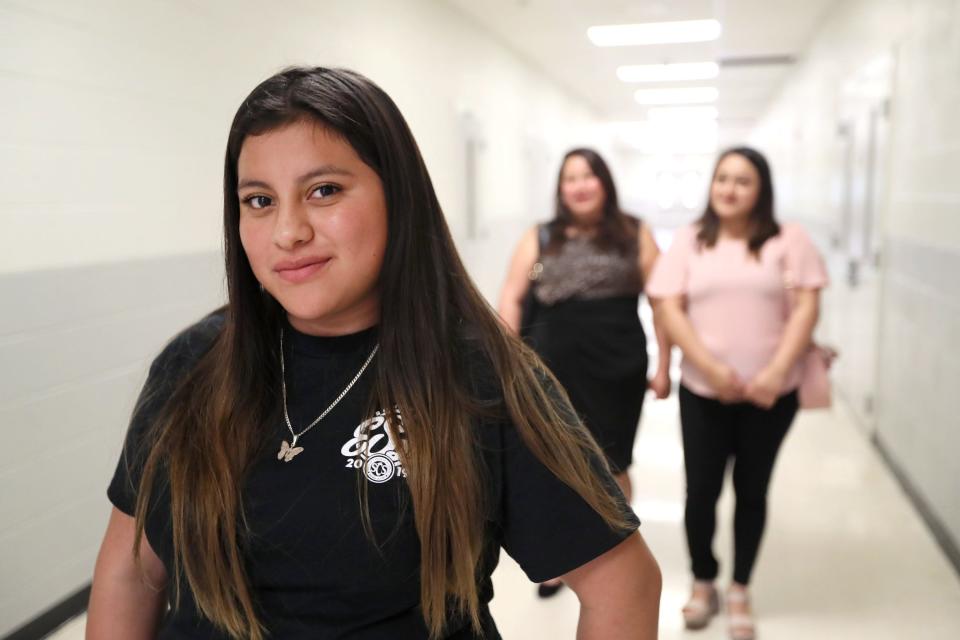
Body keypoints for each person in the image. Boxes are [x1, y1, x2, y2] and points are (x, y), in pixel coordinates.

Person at [85, 67, 661, 640]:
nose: (288, 231)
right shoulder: (194, 364)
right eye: (259, 200)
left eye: (324, 191)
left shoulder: (478, 376)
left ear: (398, 196)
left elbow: (624, 584)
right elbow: (131, 574)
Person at [646, 147, 828, 640]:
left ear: (761, 189)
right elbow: (668, 307)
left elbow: (807, 308)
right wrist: (710, 368)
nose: (729, 189)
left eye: (742, 181)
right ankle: (704, 582)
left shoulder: (790, 240)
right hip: (704, 392)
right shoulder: (690, 241)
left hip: (772, 394)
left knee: (753, 491)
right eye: (722, 178)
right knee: (700, 492)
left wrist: (774, 373)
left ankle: (741, 586)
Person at [498, 148, 670, 597]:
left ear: (605, 183)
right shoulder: (542, 237)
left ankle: (611, 547)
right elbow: (513, 297)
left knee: (612, 462)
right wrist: (504, 362)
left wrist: (667, 364)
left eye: (588, 176)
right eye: (569, 177)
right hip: (551, 366)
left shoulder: (634, 232)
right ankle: (557, 559)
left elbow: (662, 302)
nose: (579, 185)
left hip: (618, 365)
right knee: (551, 460)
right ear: (560, 188)